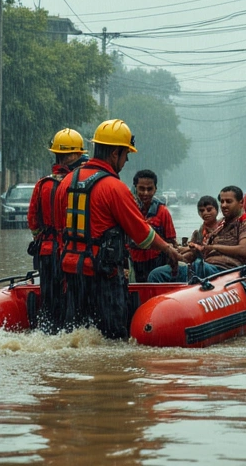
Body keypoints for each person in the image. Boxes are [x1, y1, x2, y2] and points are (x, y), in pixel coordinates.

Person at [53, 119, 182, 339]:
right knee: (112, 338)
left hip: (72, 272)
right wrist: (169, 250)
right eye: (125, 155)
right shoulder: (114, 188)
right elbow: (142, 235)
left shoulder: (66, 182)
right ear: (115, 154)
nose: (126, 161)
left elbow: (58, 228)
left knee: (78, 334)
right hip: (103, 276)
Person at [27, 128, 88, 333]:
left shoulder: (42, 184)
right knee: (72, 299)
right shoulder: (78, 184)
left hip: (46, 253)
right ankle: (69, 331)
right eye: (79, 155)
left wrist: (42, 238)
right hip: (71, 253)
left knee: (49, 298)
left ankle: (47, 330)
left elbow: (33, 221)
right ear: (71, 156)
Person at [148, 186, 246, 283]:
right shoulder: (221, 224)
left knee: (197, 265)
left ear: (241, 202)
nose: (224, 205)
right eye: (222, 201)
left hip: (230, 270)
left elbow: (243, 250)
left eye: (229, 201)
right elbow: (202, 248)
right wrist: (179, 252)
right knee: (157, 274)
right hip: (207, 267)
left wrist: (212, 247)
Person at [129, 169, 177, 282]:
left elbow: (171, 241)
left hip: (156, 264)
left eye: (149, 189)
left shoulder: (163, 212)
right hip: (132, 264)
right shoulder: (129, 210)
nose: (145, 193)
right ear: (135, 188)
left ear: (155, 189)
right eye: (142, 189)